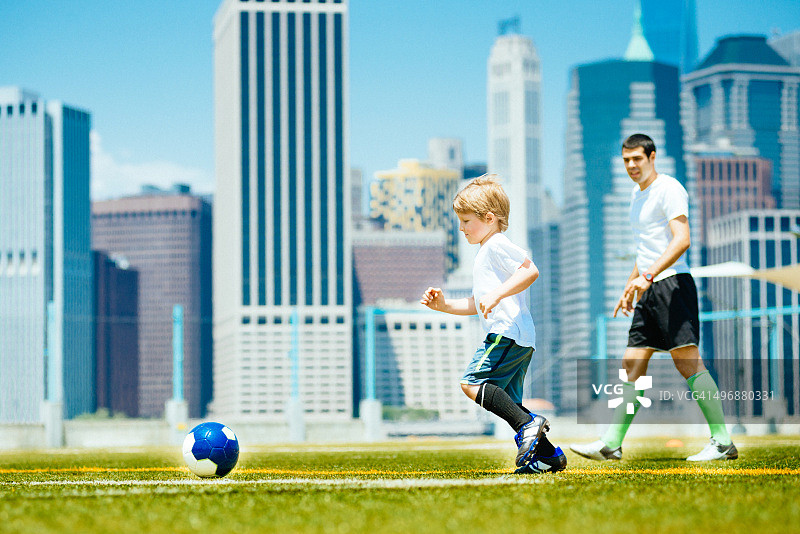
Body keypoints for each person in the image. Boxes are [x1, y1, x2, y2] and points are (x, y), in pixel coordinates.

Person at [570, 133, 738, 462]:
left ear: (652, 157)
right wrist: (631, 285)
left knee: (687, 363)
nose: (631, 165)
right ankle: (611, 444)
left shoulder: (669, 189)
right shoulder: (636, 195)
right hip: (648, 288)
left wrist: (647, 277)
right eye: (626, 160)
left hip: (672, 285)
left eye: (637, 158)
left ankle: (722, 441)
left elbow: (682, 239)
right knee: (632, 362)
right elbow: (646, 249)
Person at [421, 175, 566, 474]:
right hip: (518, 337)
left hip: (506, 332)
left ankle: (529, 425)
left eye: (466, 221)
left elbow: (530, 271)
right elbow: (477, 303)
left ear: (489, 218)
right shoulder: (486, 251)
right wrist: (444, 306)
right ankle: (550, 455)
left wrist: (498, 294)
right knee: (508, 402)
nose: (461, 228)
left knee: (471, 383)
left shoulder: (496, 245)